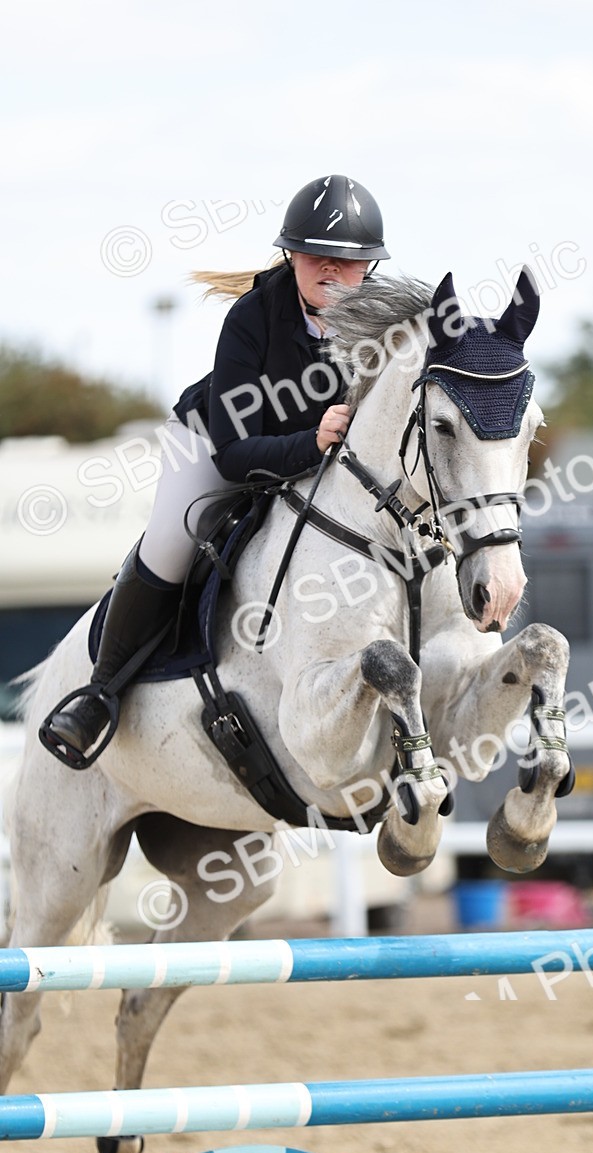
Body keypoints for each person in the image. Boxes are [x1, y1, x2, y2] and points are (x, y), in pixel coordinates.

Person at [42, 174, 390, 763]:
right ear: (290, 255)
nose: (329, 270)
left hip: (316, 453)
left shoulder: (383, 327)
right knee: (174, 538)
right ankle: (99, 693)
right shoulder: (252, 317)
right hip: (215, 447)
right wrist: (313, 441)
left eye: (346, 261)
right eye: (314, 255)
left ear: (369, 269)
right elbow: (233, 452)